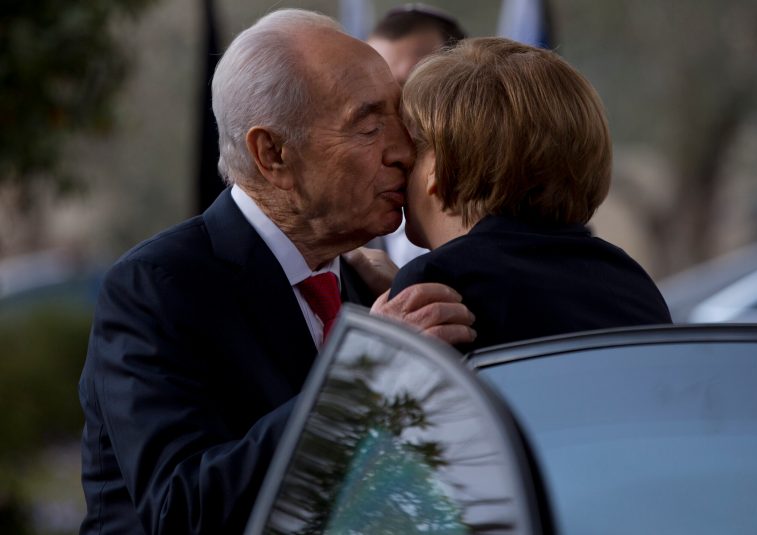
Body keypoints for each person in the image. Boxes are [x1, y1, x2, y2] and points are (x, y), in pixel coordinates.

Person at [78, 9, 475, 535]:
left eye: (399, 119)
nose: (404, 151)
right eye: (369, 126)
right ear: (273, 154)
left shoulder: (367, 290)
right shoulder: (156, 287)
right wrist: (364, 376)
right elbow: (183, 510)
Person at [388, 37, 672, 352]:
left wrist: (373, 346)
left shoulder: (432, 286)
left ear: (436, 169)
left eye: (409, 152)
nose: (397, 165)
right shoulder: (630, 282)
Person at [365, 3, 467, 267]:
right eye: (374, 93)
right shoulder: (346, 230)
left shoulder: (512, 210)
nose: (392, 107)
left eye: (413, 86)